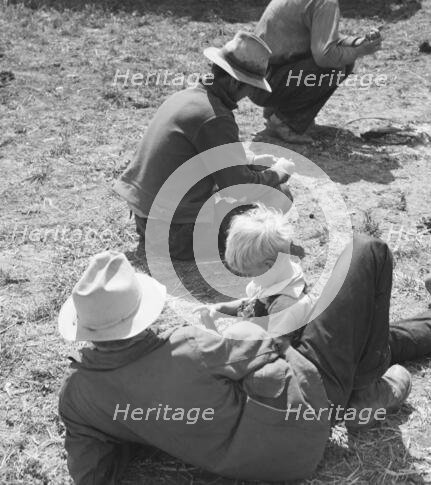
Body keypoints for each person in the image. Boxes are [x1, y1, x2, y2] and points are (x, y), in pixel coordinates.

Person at [58, 237, 431, 483]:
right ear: (140, 311)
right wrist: (228, 325)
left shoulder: (79, 397)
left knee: (349, 331)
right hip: (309, 401)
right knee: (366, 251)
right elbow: (261, 345)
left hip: (262, 464)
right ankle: (368, 391)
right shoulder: (189, 345)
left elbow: (91, 471)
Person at [113, 31, 295, 261]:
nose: (250, 94)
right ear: (234, 82)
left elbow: (201, 158)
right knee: (280, 195)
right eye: (250, 87)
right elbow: (238, 186)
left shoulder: (187, 97)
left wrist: (251, 163)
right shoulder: (215, 117)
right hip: (176, 234)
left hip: (146, 222)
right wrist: (278, 174)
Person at [250, 0, 383, 143]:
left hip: (255, 81)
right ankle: (285, 121)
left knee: (343, 60)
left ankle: (276, 112)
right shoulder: (326, 3)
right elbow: (325, 57)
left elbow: (324, 38)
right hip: (265, 84)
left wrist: (356, 42)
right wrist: (359, 51)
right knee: (333, 68)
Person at [195, 203, 313, 341]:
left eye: (250, 274)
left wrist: (221, 342)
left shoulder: (286, 306)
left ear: (268, 265)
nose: (250, 279)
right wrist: (221, 308)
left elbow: (273, 350)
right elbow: (253, 304)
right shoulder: (276, 279)